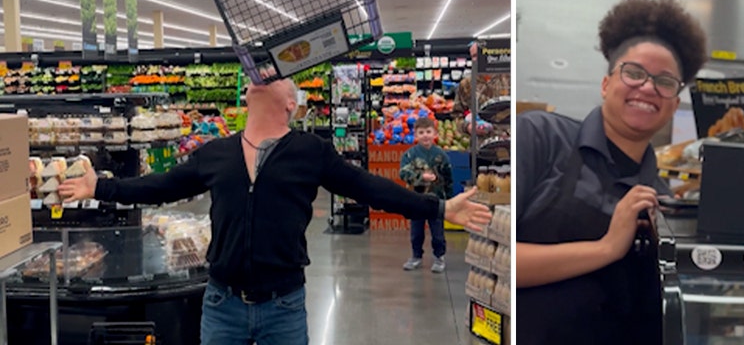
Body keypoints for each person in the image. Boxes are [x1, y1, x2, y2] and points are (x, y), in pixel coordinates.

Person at [58, 76, 491, 345]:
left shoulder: (310, 151)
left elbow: (370, 188)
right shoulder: (215, 153)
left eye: (281, 79)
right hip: (221, 303)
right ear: (248, 95)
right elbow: (159, 187)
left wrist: (436, 208)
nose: (267, 78)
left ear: (292, 104)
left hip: (283, 305)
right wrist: (102, 186)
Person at [516, 0, 708, 345]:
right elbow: (501, 258)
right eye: (634, 73)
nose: (648, 87)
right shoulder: (540, 137)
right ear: (606, 84)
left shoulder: (661, 200)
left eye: (665, 82)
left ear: (674, 104)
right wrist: (606, 248)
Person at [399, 118, 453, 272]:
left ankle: (439, 257)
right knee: (416, 231)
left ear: (435, 133)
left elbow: (448, 177)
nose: (425, 136)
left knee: (437, 232)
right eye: (421, 133)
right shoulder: (410, 155)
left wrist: (448, 200)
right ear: (415, 135)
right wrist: (420, 177)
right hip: (416, 199)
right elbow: (403, 173)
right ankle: (416, 256)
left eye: (428, 132)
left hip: (436, 200)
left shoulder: (441, 155)